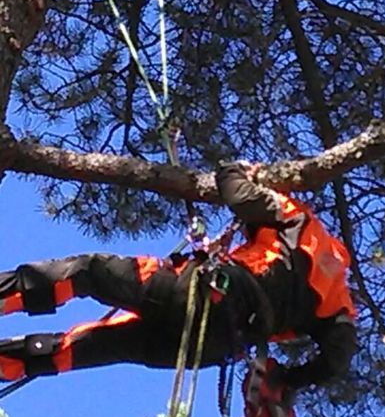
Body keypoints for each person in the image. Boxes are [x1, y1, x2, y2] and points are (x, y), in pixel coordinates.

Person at [0, 161, 357, 394]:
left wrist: (235, 169)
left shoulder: (299, 220)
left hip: (205, 294)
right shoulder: (339, 304)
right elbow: (336, 361)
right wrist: (287, 381)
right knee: (98, 342)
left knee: (88, 272)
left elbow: (237, 192)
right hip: (214, 347)